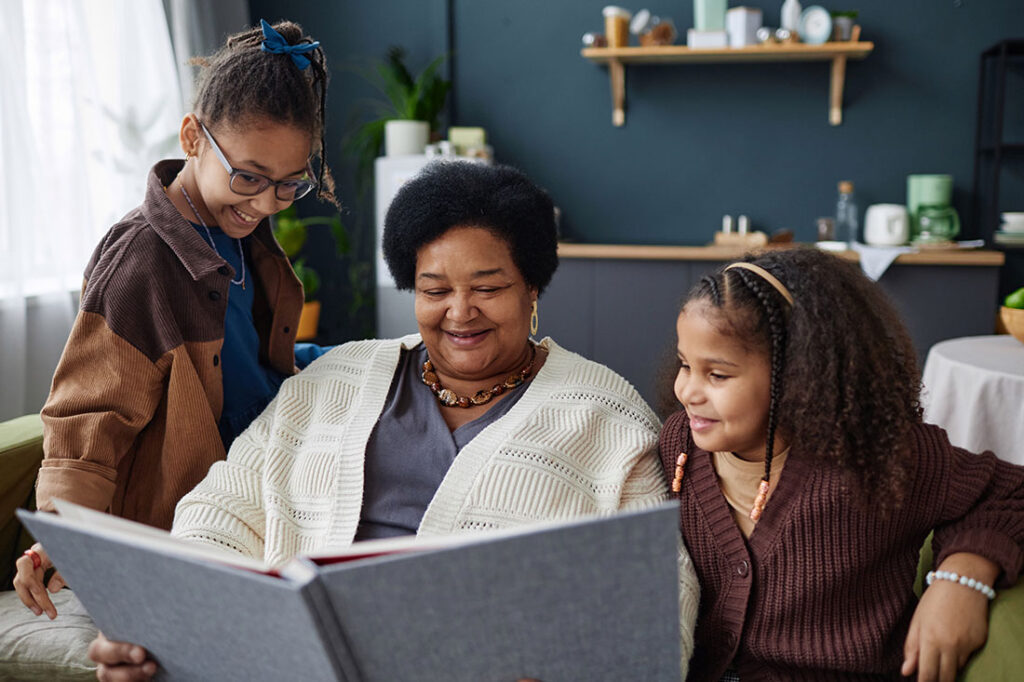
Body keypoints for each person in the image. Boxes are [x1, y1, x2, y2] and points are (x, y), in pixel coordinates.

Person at [88, 160, 700, 680]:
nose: (460, 313)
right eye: (434, 290)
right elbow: (223, 509)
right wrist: (165, 621)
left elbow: (660, 592)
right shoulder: (337, 379)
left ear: (531, 289)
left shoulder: (606, 414)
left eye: (488, 287)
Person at [12, 20, 337, 621]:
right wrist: (60, 535)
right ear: (193, 137)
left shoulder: (238, 232)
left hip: (258, 484)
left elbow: (255, 368)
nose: (265, 204)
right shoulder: (145, 259)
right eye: (249, 177)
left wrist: (347, 365)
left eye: (289, 186)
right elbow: (88, 415)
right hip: (185, 525)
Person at [659, 247, 1024, 681]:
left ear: (796, 374)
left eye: (717, 375)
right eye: (685, 365)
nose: (688, 391)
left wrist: (962, 579)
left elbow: (1008, 492)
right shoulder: (679, 443)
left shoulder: (878, 459)